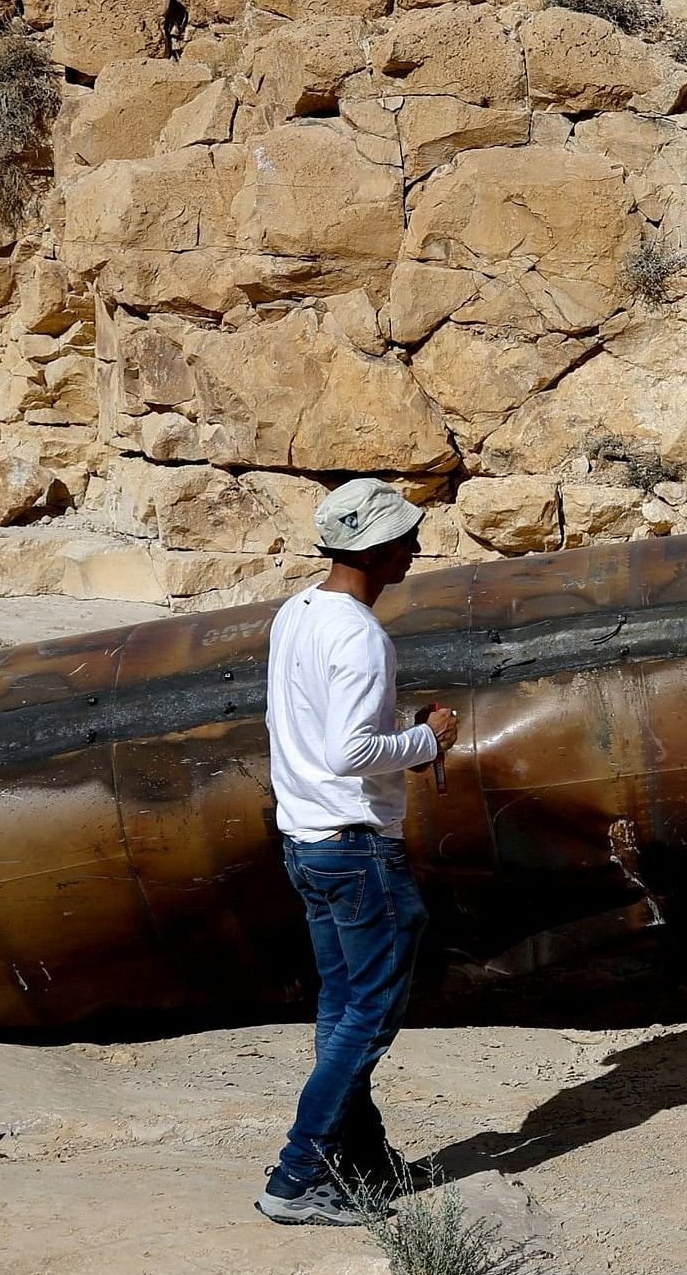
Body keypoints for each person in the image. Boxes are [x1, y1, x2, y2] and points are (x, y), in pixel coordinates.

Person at [256, 477, 461, 1227]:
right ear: (373, 549)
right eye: (404, 538)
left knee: (343, 1007)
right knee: (368, 1016)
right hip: (358, 848)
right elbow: (351, 750)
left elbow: (301, 726)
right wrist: (427, 739)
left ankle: (362, 1162)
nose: (415, 547)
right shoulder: (361, 634)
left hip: (308, 841)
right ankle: (296, 1175)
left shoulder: (297, 613)